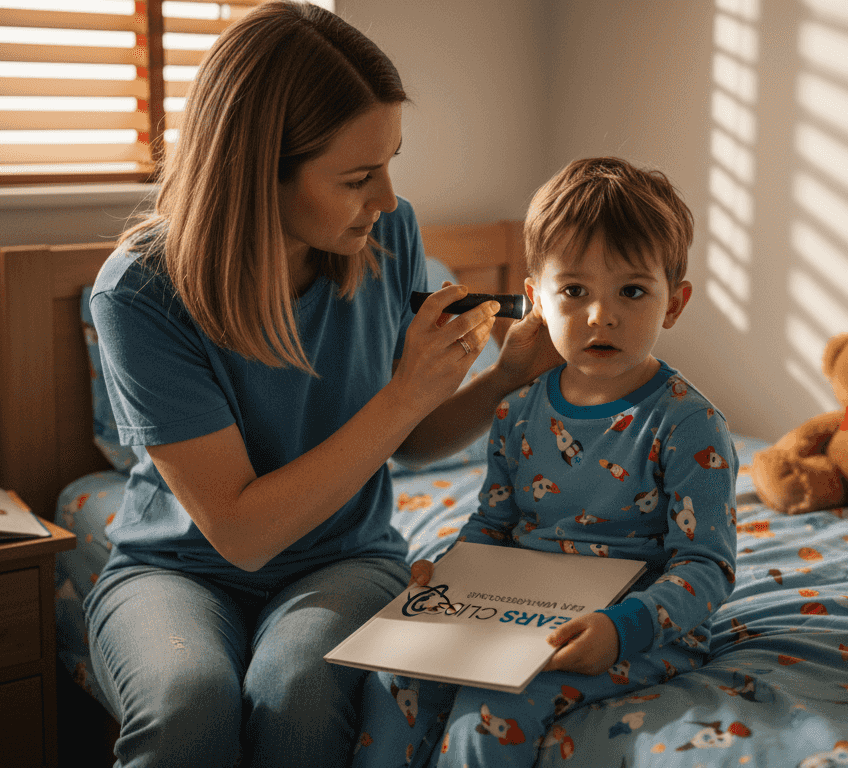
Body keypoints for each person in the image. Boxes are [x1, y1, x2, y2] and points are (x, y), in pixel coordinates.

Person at [81, 3, 560, 766]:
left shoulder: (386, 236)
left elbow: (405, 446)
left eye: (391, 163)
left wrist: (505, 375)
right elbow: (241, 534)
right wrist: (404, 392)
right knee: (187, 704)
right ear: (254, 172)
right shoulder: (140, 293)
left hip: (346, 556)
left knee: (298, 690)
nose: (389, 200)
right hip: (176, 570)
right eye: (359, 177)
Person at [353, 157, 739, 768]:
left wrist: (622, 630)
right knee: (390, 683)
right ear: (535, 300)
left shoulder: (688, 424)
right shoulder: (516, 411)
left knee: (489, 717)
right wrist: (448, 578)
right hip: (515, 614)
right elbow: (492, 527)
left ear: (674, 302)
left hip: (633, 631)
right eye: (574, 291)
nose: (600, 315)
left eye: (632, 291)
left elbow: (706, 566)